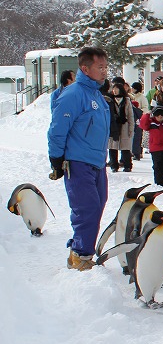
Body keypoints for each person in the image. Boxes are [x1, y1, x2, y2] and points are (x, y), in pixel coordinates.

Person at [47, 47, 110, 271]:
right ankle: (80, 256)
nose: (104, 72)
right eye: (99, 67)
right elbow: (57, 129)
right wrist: (56, 159)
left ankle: (81, 249)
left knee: (99, 203)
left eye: (105, 67)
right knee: (87, 207)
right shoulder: (73, 94)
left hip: (97, 162)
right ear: (85, 68)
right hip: (78, 162)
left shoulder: (97, 95)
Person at [107, 82, 134, 173]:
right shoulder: (109, 100)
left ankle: (127, 165)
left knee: (125, 147)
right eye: (113, 89)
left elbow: (130, 116)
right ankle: (114, 165)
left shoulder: (126, 100)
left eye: (116, 89)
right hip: (113, 126)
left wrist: (131, 128)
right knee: (113, 147)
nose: (114, 91)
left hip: (124, 125)